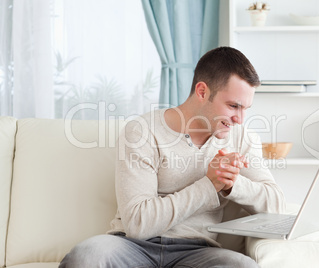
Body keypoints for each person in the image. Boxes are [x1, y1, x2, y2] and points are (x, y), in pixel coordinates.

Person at [59, 46, 285, 267]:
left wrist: (232, 183)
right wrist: (208, 185)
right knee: (86, 256)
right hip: (132, 246)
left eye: (246, 108)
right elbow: (138, 224)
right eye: (233, 106)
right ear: (202, 92)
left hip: (197, 251)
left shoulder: (242, 138)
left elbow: (277, 206)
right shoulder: (142, 131)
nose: (240, 118)